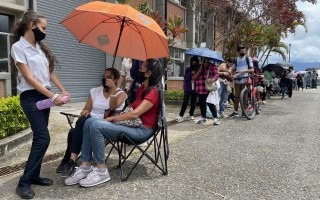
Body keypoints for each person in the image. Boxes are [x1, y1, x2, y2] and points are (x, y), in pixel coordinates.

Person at [64, 59, 164, 187]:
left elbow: (134, 114)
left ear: (148, 73)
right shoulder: (142, 89)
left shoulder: (153, 92)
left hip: (142, 130)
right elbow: (131, 109)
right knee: (89, 122)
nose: (136, 71)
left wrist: (112, 118)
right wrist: (118, 114)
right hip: (133, 125)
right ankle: (85, 166)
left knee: (96, 125)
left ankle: (101, 170)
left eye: (141, 69)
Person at [10, 10, 70, 199]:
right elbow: (29, 78)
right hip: (31, 98)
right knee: (43, 138)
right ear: (32, 25)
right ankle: (24, 182)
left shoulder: (39, 47)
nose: (45, 31)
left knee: (41, 137)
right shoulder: (19, 47)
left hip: (43, 96)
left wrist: (62, 90)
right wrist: (53, 97)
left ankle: (34, 175)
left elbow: (50, 73)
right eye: (43, 28)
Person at [56, 68, 126, 177]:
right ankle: (71, 160)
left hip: (105, 124)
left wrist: (112, 89)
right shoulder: (95, 91)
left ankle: (68, 160)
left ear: (116, 80)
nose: (105, 79)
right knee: (75, 128)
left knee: (74, 132)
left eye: (109, 77)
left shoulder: (121, 94)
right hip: (88, 122)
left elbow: (113, 106)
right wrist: (85, 111)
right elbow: (86, 109)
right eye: (104, 76)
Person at [230, 45, 254, 117]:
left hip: (245, 79)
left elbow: (252, 69)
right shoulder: (236, 60)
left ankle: (244, 112)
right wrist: (231, 74)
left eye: (244, 51)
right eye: (241, 51)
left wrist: (243, 71)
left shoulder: (248, 58)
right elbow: (233, 69)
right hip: (237, 80)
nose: (243, 52)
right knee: (237, 96)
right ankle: (235, 111)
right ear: (238, 51)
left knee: (244, 96)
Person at [193, 57, 219, 124]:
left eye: (206, 61)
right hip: (200, 88)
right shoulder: (198, 67)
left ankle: (215, 118)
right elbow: (193, 78)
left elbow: (216, 75)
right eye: (204, 61)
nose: (205, 63)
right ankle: (203, 117)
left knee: (210, 103)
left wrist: (212, 79)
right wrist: (199, 71)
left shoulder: (213, 66)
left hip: (208, 88)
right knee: (202, 104)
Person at [176, 56, 199, 122]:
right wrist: (191, 73)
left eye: (195, 61)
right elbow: (185, 77)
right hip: (188, 87)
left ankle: (191, 114)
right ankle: (181, 115)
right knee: (185, 101)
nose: (194, 62)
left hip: (195, 88)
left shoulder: (198, 69)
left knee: (193, 102)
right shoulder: (188, 69)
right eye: (193, 61)